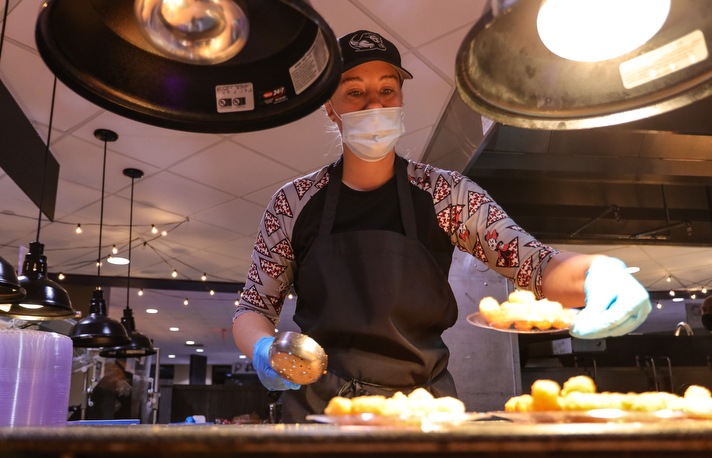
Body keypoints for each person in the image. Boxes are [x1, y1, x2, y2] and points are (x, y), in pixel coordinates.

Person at [232, 30, 652, 423]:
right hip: (321, 410)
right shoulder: (293, 203)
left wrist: (598, 272)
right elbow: (254, 308)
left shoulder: (447, 194)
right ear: (329, 105)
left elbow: (536, 266)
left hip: (422, 410)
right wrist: (264, 349)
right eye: (355, 92)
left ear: (400, 100)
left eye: (386, 90)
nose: (374, 105)